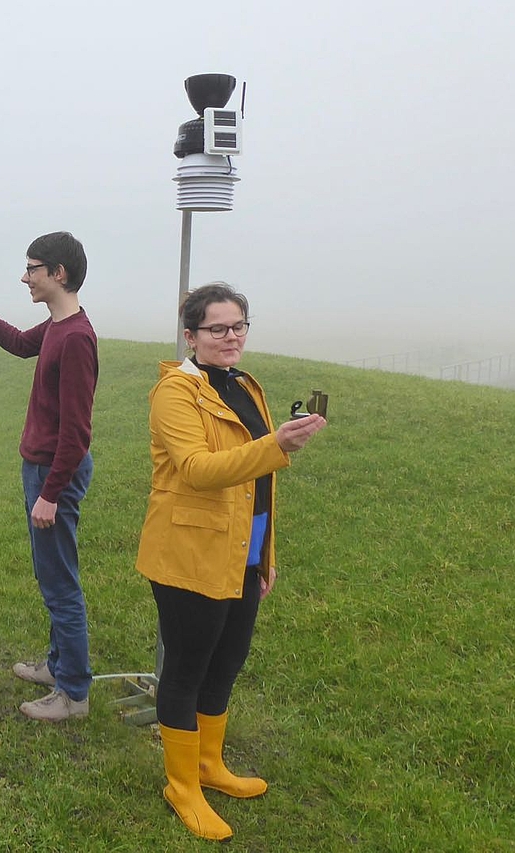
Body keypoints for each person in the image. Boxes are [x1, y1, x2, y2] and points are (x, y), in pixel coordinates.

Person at [135, 282, 326, 840]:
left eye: (239, 325)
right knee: (187, 669)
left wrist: (266, 554)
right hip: (190, 553)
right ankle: (181, 785)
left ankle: (209, 766)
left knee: (228, 661)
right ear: (190, 336)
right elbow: (196, 468)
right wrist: (278, 446)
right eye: (216, 328)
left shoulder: (245, 385)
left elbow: (257, 483)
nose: (230, 337)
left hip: (243, 552)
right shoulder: (175, 393)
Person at [0, 231, 97, 723]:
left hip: (53, 472)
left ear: (58, 273)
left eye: (33, 268)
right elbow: (19, 344)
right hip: (40, 467)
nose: (25, 277)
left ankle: (73, 694)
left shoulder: (77, 338)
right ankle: (58, 666)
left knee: (60, 582)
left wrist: (51, 495)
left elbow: (77, 431)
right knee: (51, 574)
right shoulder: (58, 326)